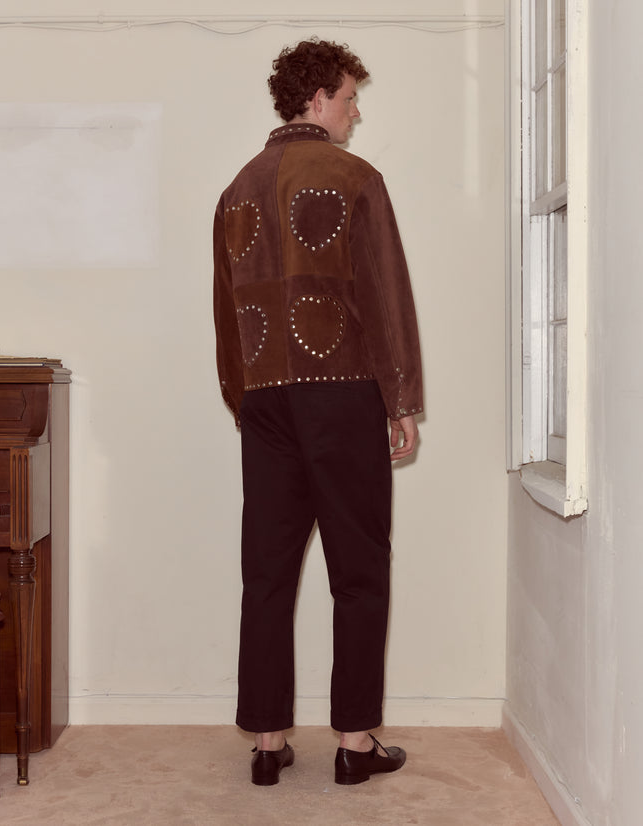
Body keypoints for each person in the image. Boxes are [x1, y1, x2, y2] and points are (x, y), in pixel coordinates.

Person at [213, 38, 423, 786]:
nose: (356, 110)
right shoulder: (354, 177)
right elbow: (384, 295)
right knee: (358, 571)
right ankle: (354, 744)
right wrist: (401, 398)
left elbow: (224, 318)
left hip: (266, 402)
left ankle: (268, 745)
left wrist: (246, 402)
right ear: (316, 99)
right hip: (341, 394)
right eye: (349, 97)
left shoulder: (236, 187)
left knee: (266, 573)